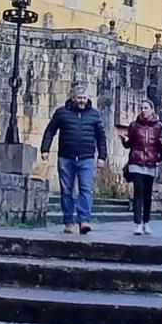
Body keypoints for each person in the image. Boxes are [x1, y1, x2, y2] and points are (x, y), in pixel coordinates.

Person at [39, 83, 107, 235]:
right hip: (66, 157)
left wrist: (102, 156)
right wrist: (45, 149)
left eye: (84, 98)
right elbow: (50, 131)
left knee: (85, 189)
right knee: (66, 190)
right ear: (73, 98)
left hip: (86, 158)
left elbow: (101, 137)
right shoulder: (62, 113)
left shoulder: (94, 115)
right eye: (79, 98)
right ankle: (68, 221)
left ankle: (84, 220)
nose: (82, 101)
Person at [120, 100, 162, 235]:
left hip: (151, 163)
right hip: (136, 161)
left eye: (146, 108)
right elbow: (129, 144)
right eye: (141, 108)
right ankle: (138, 223)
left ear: (152, 110)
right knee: (138, 193)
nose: (143, 110)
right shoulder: (134, 125)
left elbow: (161, 145)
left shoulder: (159, 126)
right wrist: (125, 141)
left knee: (147, 194)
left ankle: (146, 222)